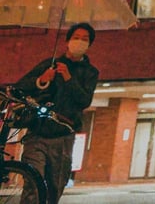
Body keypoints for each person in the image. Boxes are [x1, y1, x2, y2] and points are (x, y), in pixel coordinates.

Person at [14, 22, 100, 204]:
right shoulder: (50, 64)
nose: (80, 42)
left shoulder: (90, 72)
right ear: (67, 41)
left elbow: (84, 101)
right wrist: (42, 79)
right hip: (37, 132)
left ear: (89, 45)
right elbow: (21, 87)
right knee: (32, 181)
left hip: (63, 136)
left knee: (55, 185)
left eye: (85, 39)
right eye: (76, 37)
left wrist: (69, 79)